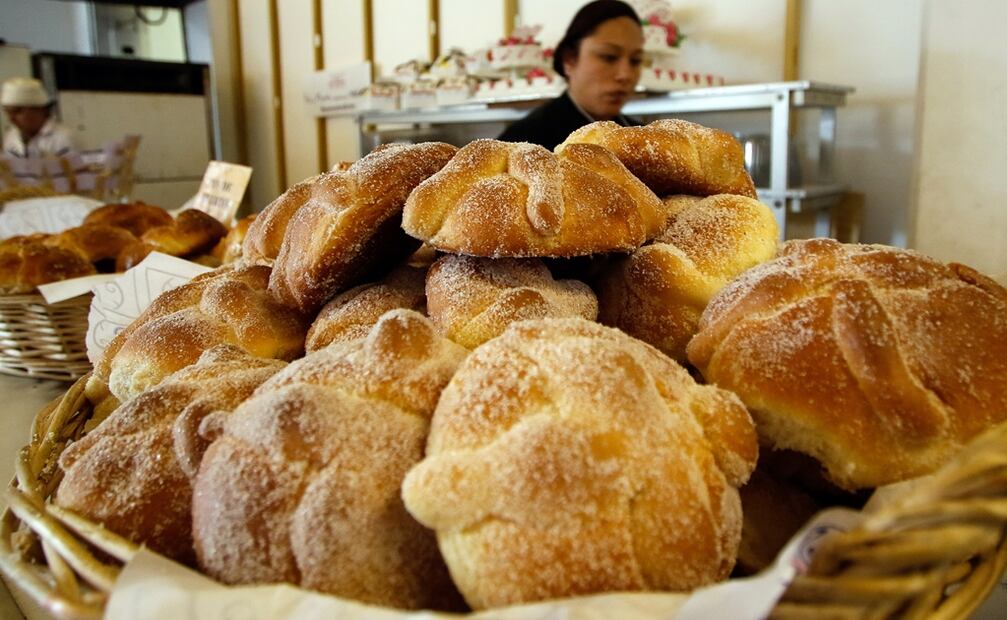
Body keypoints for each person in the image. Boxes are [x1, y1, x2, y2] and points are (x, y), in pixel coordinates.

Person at [498, 0, 644, 150]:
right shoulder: (522, 144)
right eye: (609, 57)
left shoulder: (642, 141)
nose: (625, 75)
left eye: (635, 61)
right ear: (569, 60)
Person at [2, 77, 76, 158]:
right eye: (8, 113)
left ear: (38, 110)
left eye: (16, 112)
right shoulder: (11, 136)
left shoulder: (64, 138)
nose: (11, 119)